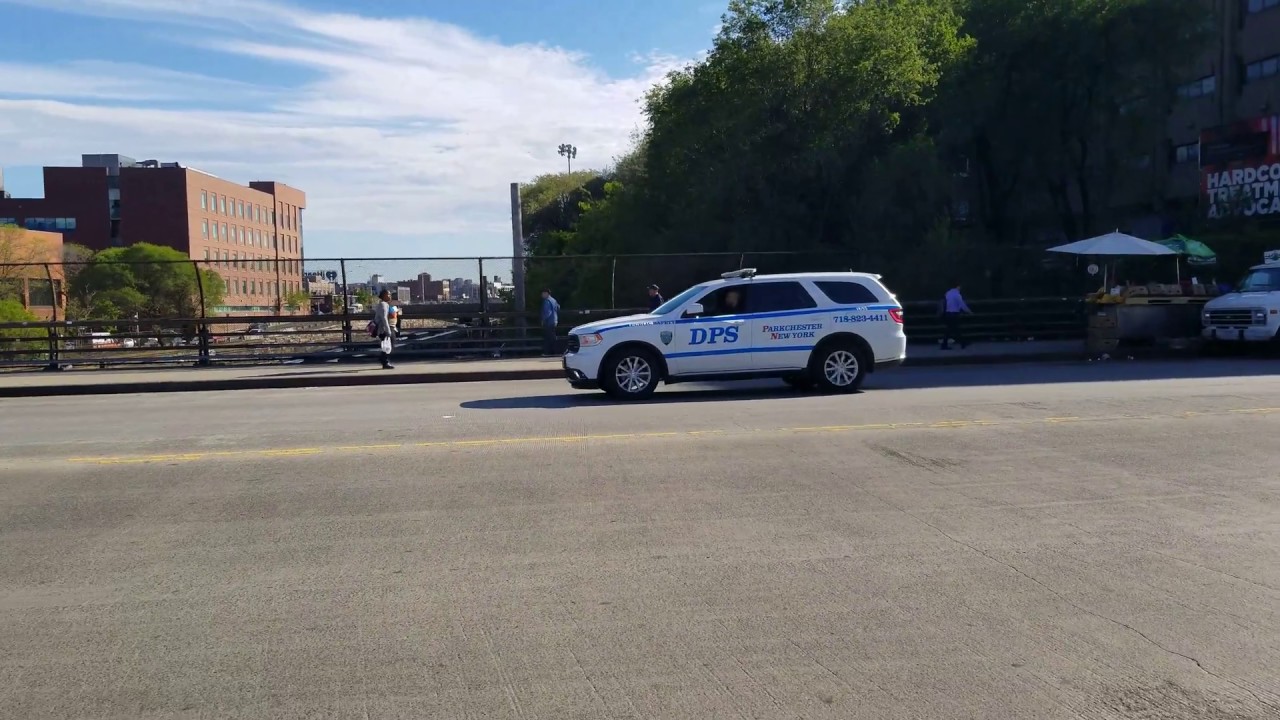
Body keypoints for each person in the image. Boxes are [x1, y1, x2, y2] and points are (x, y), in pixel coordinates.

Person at [940, 281, 972, 350]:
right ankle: (962, 343)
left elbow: (944, 302)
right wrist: (969, 311)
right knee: (955, 329)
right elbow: (962, 305)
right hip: (954, 314)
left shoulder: (947, 293)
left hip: (948, 313)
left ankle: (961, 343)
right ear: (957, 287)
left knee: (951, 330)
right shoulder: (957, 295)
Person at [372, 289, 396, 369]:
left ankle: (384, 360)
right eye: (388, 294)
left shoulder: (386, 304)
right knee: (388, 345)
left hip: (387, 328)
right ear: (384, 296)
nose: (390, 296)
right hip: (384, 329)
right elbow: (384, 318)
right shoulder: (383, 304)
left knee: (388, 345)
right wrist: (388, 330)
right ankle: (384, 361)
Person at [540, 289, 560, 356]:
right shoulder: (553, 300)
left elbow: (547, 312)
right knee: (553, 336)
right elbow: (558, 307)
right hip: (555, 320)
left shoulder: (547, 301)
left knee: (549, 337)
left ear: (546, 293)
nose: (542, 295)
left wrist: (543, 319)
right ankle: (555, 351)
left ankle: (549, 352)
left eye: (543, 293)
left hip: (549, 321)